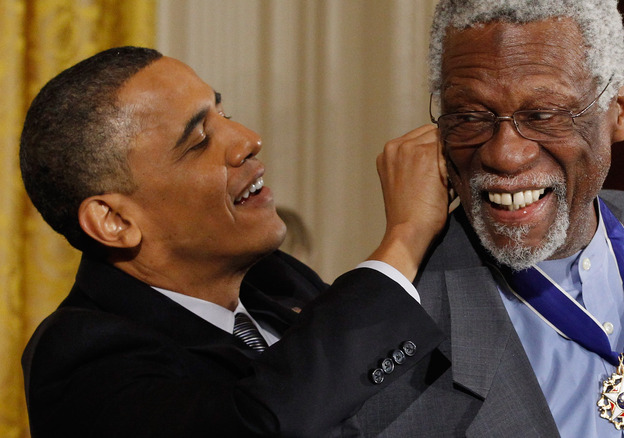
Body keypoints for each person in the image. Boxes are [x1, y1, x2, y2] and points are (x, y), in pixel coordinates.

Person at [350, 0, 624, 436]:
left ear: (620, 107)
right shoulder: (400, 331)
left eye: (543, 115)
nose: (504, 154)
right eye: (471, 117)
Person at [20, 46, 449, 437]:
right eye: (199, 141)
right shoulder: (80, 356)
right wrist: (404, 238)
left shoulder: (274, 278)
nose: (248, 139)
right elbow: (257, 423)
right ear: (115, 220)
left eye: (223, 114)